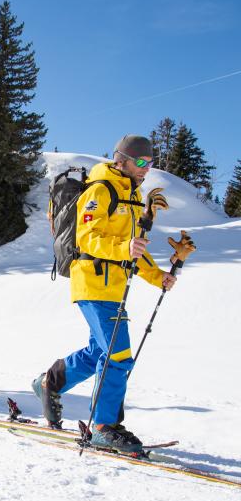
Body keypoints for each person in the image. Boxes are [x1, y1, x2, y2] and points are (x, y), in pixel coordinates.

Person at [33, 135, 177, 453]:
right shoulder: (101, 189)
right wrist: (122, 247)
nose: (146, 168)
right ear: (121, 160)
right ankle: (103, 425)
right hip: (92, 281)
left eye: (150, 163)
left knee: (101, 350)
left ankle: (50, 382)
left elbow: (135, 249)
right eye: (140, 162)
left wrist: (159, 277)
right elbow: (87, 238)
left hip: (112, 285)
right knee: (118, 354)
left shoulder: (132, 196)